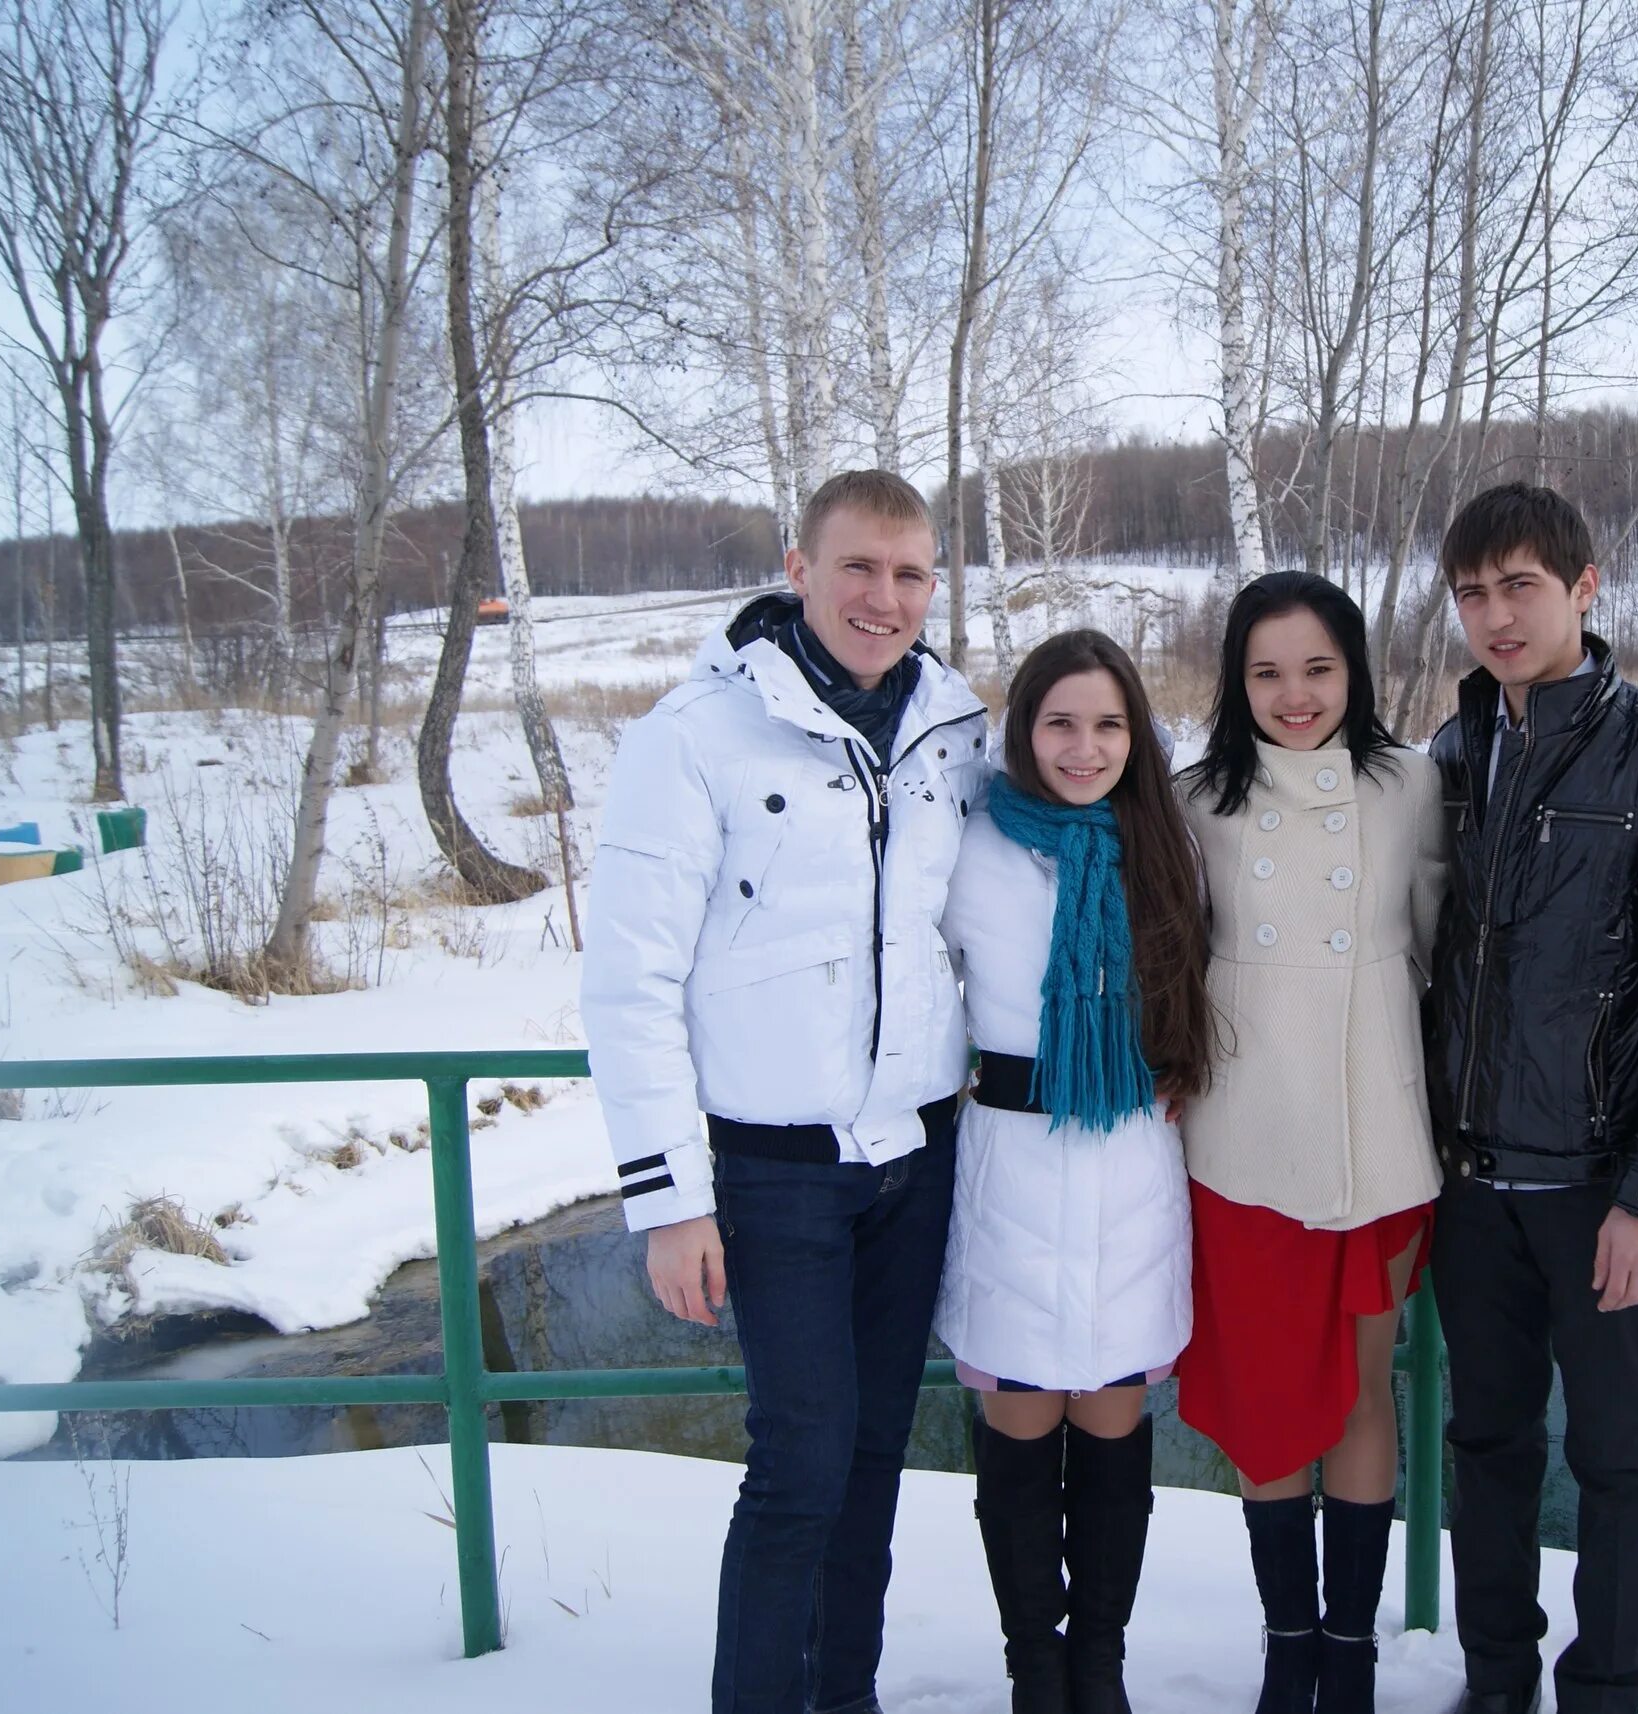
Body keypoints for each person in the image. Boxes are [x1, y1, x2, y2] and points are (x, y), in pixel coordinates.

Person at [581, 470, 989, 1714]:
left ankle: (844, 1694)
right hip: (775, 1172)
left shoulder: (954, 730)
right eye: (858, 568)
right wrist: (668, 1198)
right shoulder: (694, 735)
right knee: (801, 1461)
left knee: (871, 1458)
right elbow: (630, 982)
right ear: (799, 567)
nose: (884, 598)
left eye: (910, 573)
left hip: (917, 1154)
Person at [1421, 482, 1638, 1714]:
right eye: (1471, 592)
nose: (1495, 616)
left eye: (1520, 586)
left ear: (1582, 587)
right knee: (1484, 1449)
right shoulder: (1450, 758)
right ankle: (1494, 1682)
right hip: (1469, 1191)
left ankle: (1605, 1687)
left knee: (1617, 1456)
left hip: (1598, 1192)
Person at [1171, 572, 1450, 1714]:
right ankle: (1289, 1647)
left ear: (1356, 671)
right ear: (1237, 683)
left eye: (1318, 668)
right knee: (1264, 1393)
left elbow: (1441, 950)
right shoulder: (1194, 800)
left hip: (1376, 1131)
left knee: (1363, 1386)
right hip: (1243, 1139)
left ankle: (1352, 1654)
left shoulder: (1410, 785)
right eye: (1267, 672)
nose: (1295, 695)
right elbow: (1170, 962)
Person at [932, 629, 1215, 1714]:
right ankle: (1032, 1667)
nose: (1084, 747)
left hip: (1133, 1158)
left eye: (1106, 724)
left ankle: (1098, 1663)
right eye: (1060, 722)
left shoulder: (1167, 844)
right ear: (1024, 729)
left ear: (1134, 733)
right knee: (1017, 1425)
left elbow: (1206, 985)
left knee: (1108, 1422)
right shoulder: (973, 841)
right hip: (1008, 1159)